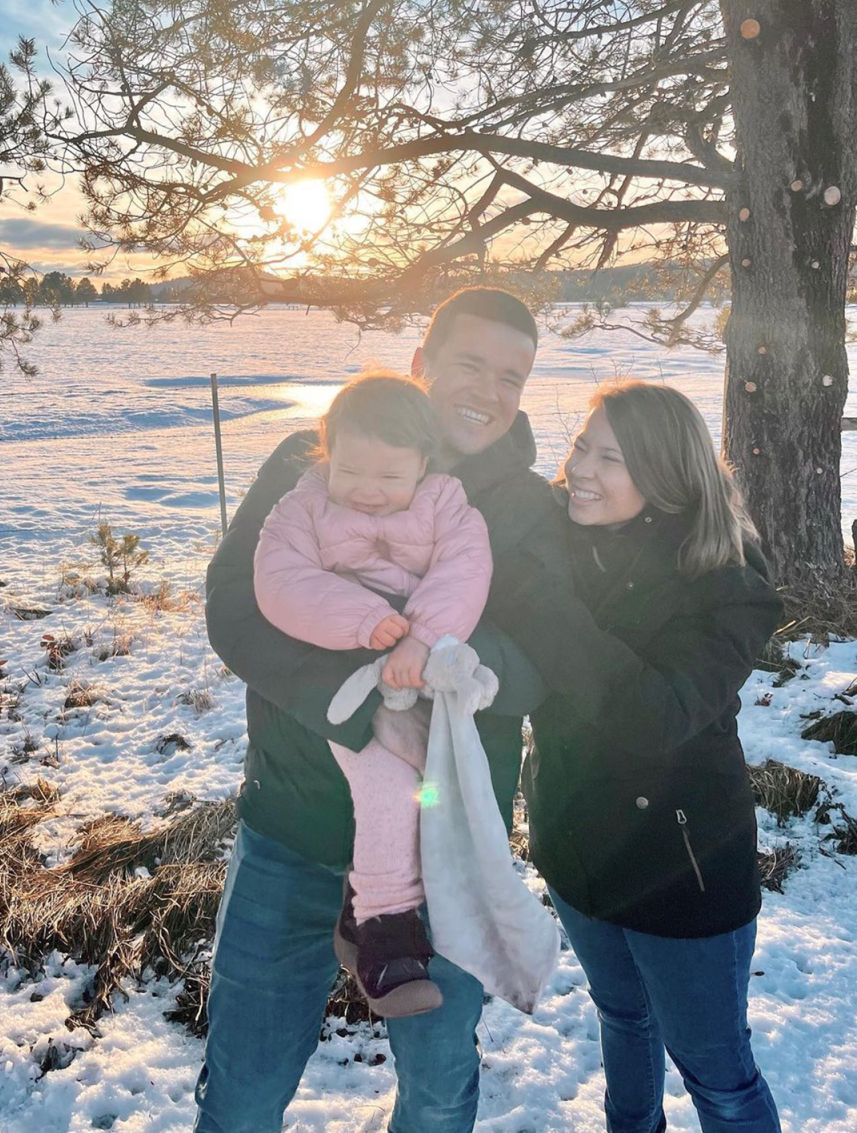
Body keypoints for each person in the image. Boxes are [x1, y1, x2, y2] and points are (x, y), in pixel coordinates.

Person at [196, 287, 568, 1133]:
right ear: (419, 365)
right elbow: (236, 605)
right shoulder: (311, 460)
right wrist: (358, 702)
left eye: (511, 375)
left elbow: (544, 663)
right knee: (243, 1091)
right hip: (292, 824)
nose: (488, 389)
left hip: (445, 845)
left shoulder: (527, 510)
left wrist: (441, 666)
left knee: (438, 1089)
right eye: (469, 362)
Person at [489, 380, 783, 1132]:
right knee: (622, 1016)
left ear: (665, 476)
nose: (581, 467)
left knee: (717, 1074)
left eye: (610, 457)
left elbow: (656, 716)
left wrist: (542, 606)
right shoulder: (557, 534)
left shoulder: (728, 582)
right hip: (577, 848)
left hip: (683, 868)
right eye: (582, 443)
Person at [253, 370, 494, 1019]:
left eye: (391, 476)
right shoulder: (302, 505)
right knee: (387, 778)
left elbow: (464, 570)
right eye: (353, 469)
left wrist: (425, 638)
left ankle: (367, 912)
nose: (369, 490)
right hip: (348, 669)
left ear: (424, 463)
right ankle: (387, 925)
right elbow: (279, 580)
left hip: (425, 669)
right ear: (328, 448)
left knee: (435, 784)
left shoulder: (446, 503)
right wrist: (362, 620)